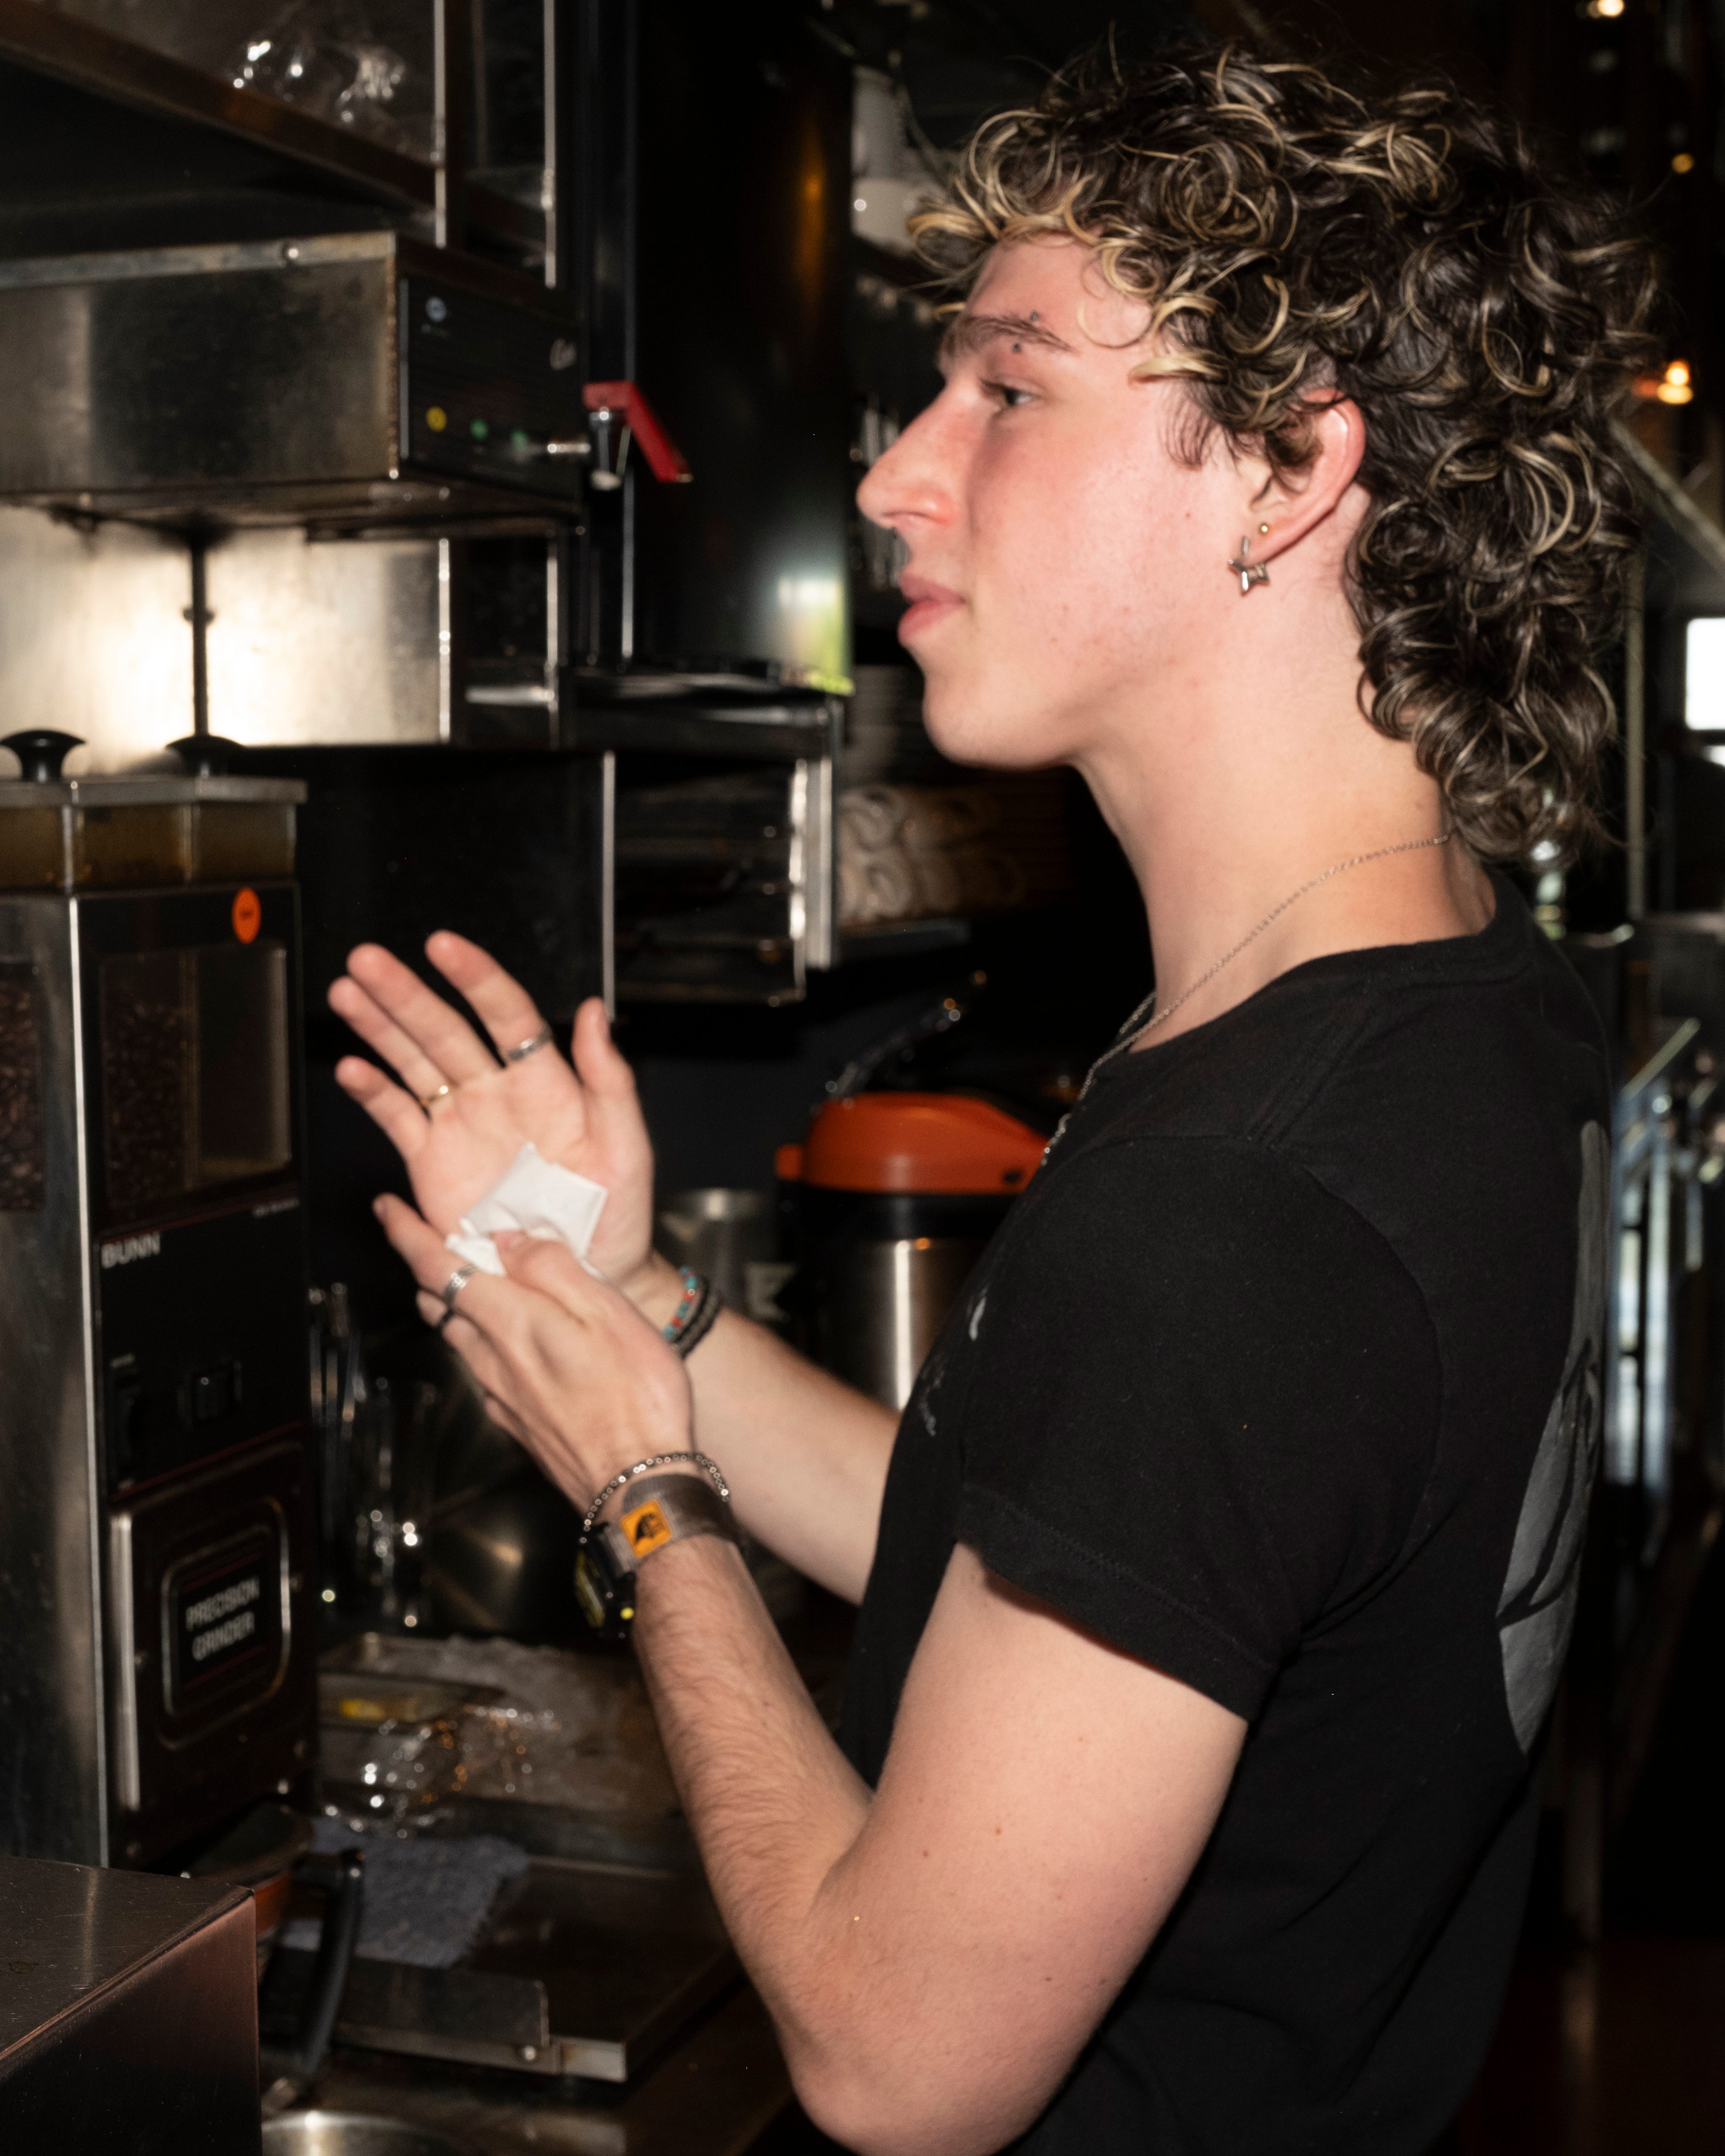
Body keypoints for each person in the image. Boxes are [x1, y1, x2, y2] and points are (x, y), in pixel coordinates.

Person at [329, 46, 1651, 2156]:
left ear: (1286, 471)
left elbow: (901, 2061)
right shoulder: (1462, 1005)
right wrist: (636, 1298)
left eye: (1007, 390)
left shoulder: (1238, 1210)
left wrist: (642, 1495)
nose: (893, 478)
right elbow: (1081, 1560)